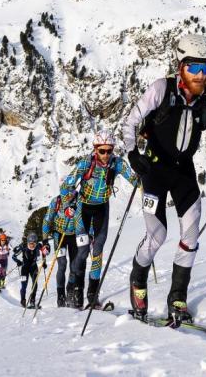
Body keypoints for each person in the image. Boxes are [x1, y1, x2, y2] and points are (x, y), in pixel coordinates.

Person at [123, 33, 206, 325]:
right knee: (157, 236)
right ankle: (138, 279)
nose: (201, 75)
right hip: (154, 170)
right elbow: (130, 122)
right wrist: (133, 155)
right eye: (194, 67)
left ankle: (177, 297)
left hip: (184, 170)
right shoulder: (161, 89)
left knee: (191, 236)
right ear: (180, 66)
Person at [61, 129, 138, 309]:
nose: (105, 155)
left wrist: (143, 179)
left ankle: (92, 294)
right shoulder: (85, 164)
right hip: (83, 208)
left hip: (102, 208)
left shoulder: (117, 163)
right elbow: (66, 186)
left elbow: (135, 180)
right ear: (95, 149)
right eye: (101, 151)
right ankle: (75, 286)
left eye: (109, 151)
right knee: (82, 252)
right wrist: (67, 205)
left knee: (98, 251)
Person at [41, 189, 83, 307]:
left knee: (74, 266)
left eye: (72, 189)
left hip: (74, 235)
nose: (69, 193)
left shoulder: (79, 200)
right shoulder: (56, 201)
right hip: (59, 236)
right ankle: (60, 295)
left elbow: (85, 217)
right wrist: (45, 241)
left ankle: (70, 289)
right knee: (62, 264)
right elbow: (47, 220)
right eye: (66, 189)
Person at [12, 231, 49, 308]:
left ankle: (32, 301)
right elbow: (13, 256)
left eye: (34, 243)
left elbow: (45, 252)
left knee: (35, 284)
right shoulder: (23, 247)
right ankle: (23, 300)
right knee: (24, 286)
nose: (32, 245)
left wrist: (44, 262)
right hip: (24, 268)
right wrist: (18, 262)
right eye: (30, 243)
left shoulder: (39, 245)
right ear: (28, 242)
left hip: (33, 267)